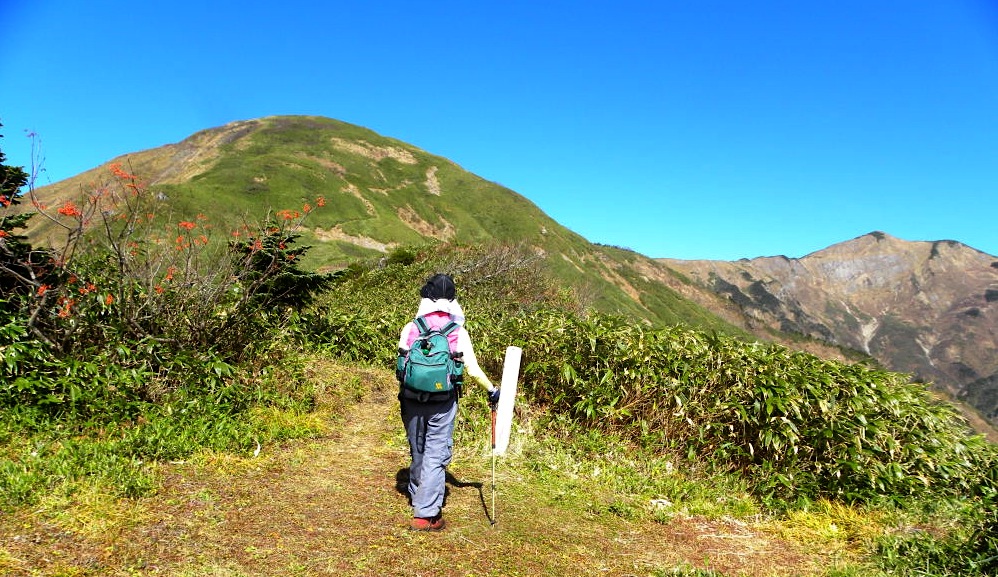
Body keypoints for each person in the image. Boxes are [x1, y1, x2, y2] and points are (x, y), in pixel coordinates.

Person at [396, 273, 499, 531]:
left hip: (410, 399)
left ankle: (418, 495)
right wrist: (491, 389)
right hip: (442, 400)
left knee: (417, 448)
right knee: (436, 453)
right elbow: (472, 370)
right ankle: (426, 514)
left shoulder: (411, 327)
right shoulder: (457, 332)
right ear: (452, 300)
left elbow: (401, 363)